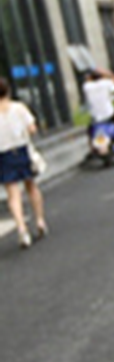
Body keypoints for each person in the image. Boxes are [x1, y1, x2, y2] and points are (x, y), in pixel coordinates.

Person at [0, 77, 48, 249]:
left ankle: (21, 229)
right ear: (8, 90)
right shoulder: (19, 108)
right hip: (22, 151)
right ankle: (40, 221)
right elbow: (32, 129)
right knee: (31, 187)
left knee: (13, 194)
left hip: (3, 155)